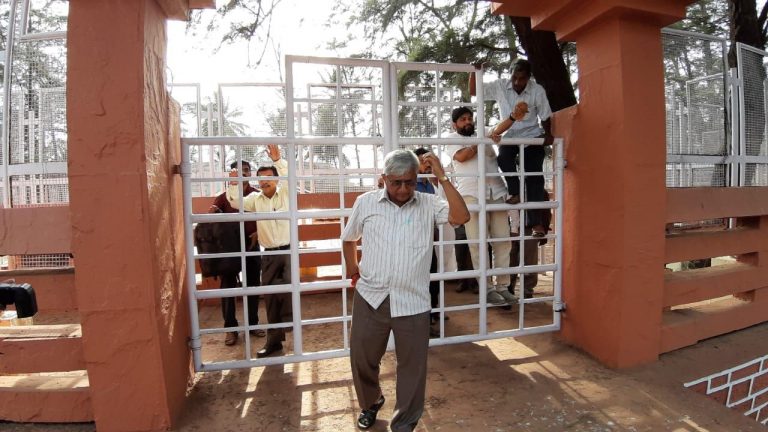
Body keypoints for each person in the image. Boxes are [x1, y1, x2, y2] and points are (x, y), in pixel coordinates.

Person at [342, 149, 469, 431]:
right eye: (396, 182)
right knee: (362, 358)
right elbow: (348, 239)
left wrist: (442, 176)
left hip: (413, 301)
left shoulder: (429, 203)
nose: (403, 189)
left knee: (412, 368)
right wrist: (354, 269)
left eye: (409, 182)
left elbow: (462, 217)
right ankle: (371, 402)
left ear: (417, 179)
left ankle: (405, 423)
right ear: (384, 179)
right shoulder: (366, 203)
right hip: (371, 297)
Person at [472, 58, 553, 237]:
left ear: (528, 77)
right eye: (514, 77)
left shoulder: (537, 90)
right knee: (503, 159)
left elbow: (546, 116)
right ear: (511, 75)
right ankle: (515, 192)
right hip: (509, 136)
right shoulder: (501, 85)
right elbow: (474, 91)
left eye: (522, 78)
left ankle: (536, 224)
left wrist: (547, 135)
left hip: (531, 136)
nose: (517, 82)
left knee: (534, 176)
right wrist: (475, 71)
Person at [226, 144, 292, 358]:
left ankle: (290, 326)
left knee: (290, 293)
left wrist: (278, 160)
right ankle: (274, 342)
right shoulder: (255, 199)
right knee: (271, 299)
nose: (264, 181)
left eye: (268, 177)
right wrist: (235, 183)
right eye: (260, 178)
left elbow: (289, 175)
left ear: (276, 178)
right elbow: (235, 202)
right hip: (269, 255)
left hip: (290, 252)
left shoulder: (287, 194)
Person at [446, 106, 515, 306]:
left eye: (469, 118)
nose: (467, 122)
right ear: (455, 124)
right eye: (462, 120)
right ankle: (487, 288)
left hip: (496, 191)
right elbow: (461, 156)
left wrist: (512, 117)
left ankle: (503, 286)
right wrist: (480, 141)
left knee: (503, 240)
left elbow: (499, 128)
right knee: (477, 243)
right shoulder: (452, 139)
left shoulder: (482, 133)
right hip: (471, 196)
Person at [209, 160, 263, 346]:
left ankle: (253, 324)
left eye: (247, 170)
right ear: (232, 174)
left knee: (253, 286)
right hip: (229, 250)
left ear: (250, 173)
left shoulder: (258, 195)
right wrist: (213, 212)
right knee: (228, 289)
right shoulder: (223, 197)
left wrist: (259, 232)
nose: (244, 173)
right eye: (239, 171)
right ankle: (230, 329)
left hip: (251, 245)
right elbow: (212, 213)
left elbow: (267, 217)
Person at [413, 147, 452, 338]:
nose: (427, 165)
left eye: (429, 161)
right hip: (414, 242)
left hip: (429, 239)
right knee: (421, 281)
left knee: (433, 277)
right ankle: (424, 322)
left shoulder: (429, 184)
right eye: (423, 161)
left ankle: (434, 310)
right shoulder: (412, 184)